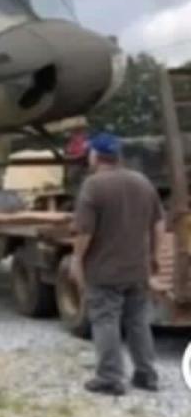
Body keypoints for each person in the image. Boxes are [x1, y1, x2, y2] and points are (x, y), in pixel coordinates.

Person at [72, 132, 166, 397]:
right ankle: (147, 375)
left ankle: (110, 378)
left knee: (105, 321)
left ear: (96, 156)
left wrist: (77, 260)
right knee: (138, 322)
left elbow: (84, 233)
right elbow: (159, 224)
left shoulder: (93, 186)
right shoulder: (143, 182)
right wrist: (155, 258)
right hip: (137, 269)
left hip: (104, 271)